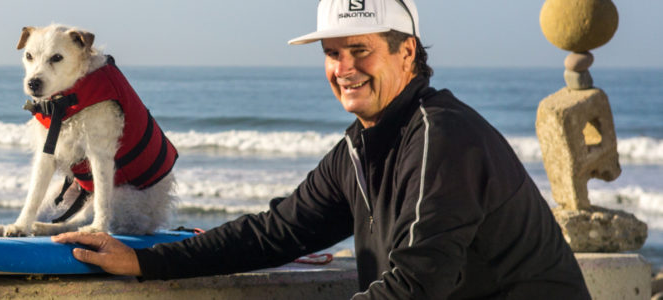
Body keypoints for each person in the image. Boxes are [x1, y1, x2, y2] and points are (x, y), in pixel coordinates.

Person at [52, 0, 592, 298]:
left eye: (361, 50)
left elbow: (417, 284)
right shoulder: (361, 148)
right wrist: (145, 261)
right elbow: (277, 231)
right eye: (333, 53)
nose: (344, 68)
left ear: (408, 54)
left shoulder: (443, 139)